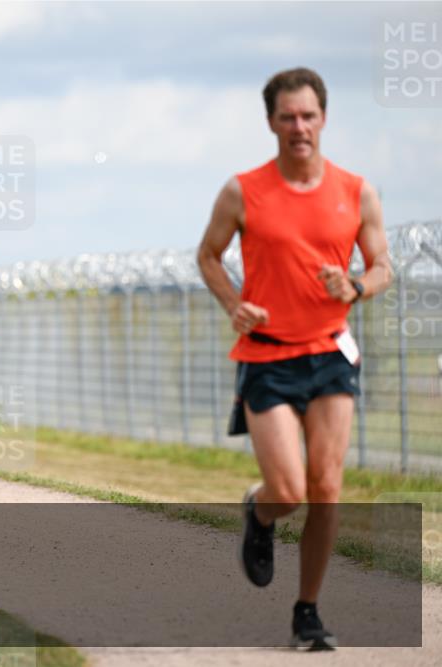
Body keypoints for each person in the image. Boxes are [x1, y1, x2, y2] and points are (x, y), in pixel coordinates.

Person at [197, 68, 391, 650]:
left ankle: (307, 610)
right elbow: (208, 255)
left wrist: (355, 287)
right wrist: (234, 303)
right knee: (289, 490)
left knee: (327, 487)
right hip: (268, 358)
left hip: (332, 353)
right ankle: (260, 512)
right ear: (271, 122)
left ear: (324, 118)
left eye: (308, 116)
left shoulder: (356, 191)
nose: (299, 127)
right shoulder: (243, 190)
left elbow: (383, 266)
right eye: (288, 117)